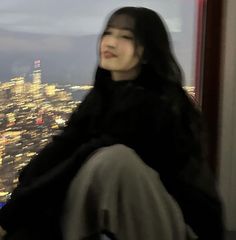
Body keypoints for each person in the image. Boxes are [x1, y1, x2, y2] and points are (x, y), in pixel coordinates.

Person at [0, 6, 223, 240]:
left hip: (180, 226)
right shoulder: (101, 97)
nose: (111, 42)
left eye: (126, 37)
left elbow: (85, 156)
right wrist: (24, 189)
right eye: (109, 33)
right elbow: (62, 147)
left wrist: (12, 214)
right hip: (133, 221)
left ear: (147, 52)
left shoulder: (157, 103)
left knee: (112, 160)